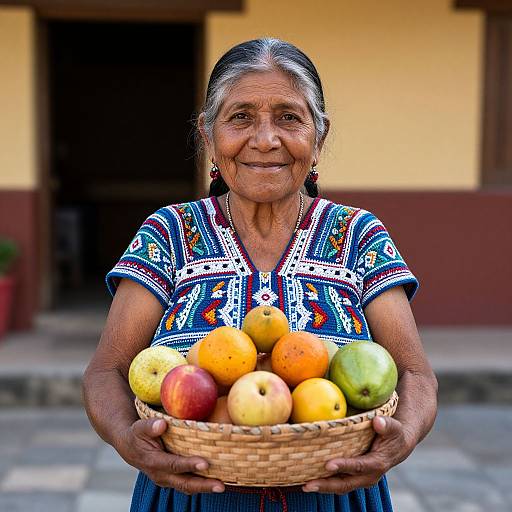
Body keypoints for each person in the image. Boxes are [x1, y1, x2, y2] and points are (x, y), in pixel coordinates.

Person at [83, 38, 438, 512]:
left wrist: (402, 439)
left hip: (333, 498)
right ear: (209, 136)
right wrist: (132, 442)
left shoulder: (357, 233)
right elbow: (105, 372)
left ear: (319, 137)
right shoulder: (170, 232)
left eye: (289, 117)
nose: (265, 139)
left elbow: (416, 373)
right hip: (192, 499)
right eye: (241, 117)